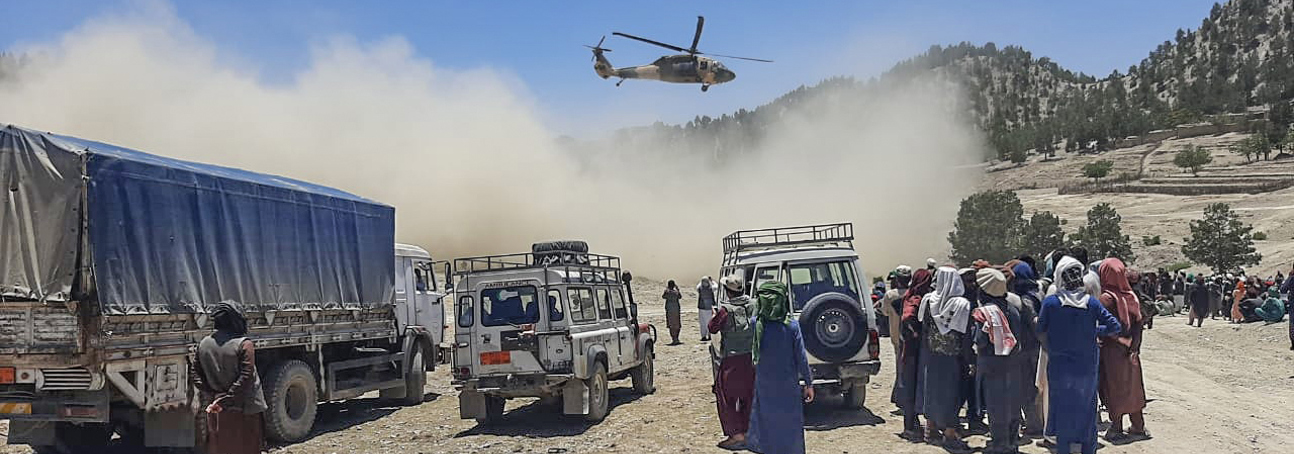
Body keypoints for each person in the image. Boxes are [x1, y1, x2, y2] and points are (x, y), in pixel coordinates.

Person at [1038, 257, 1122, 454]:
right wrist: (1092, 331)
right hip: (1087, 366)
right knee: (1086, 407)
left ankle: (1064, 449)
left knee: (1063, 407)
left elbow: (1040, 329)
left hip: (1059, 366)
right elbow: (1114, 327)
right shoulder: (1091, 303)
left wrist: (1053, 343)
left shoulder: (1051, 303)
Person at [745, 281, 814, 454]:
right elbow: (801, 358)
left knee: (766, 425)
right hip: (788, 385)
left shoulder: (755, 324)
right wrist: (808, 383)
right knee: (789, 425)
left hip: (765, 384)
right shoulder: (791, 325)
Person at [192, 303, 267, 454]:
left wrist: (214, 395)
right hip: (245, 409)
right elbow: (246, 376)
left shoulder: (204, 344)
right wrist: (227, 399)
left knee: (221, 446)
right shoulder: (244, 344)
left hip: (216, 409)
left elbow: (195, 373)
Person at [917, 266, 974, 452]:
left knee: (932, 391)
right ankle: (949, 433)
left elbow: (924, 329)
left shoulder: (928, 300)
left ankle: (931, 428)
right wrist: (969, 359)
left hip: (932, 355)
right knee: (952, 394)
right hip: (953, 357)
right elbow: (964, 334)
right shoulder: (961, 304)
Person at [1096, 259, 1149, 442]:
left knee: (1113, 386)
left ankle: (1116, 427)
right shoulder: (1131, 296)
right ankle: (1138, 426)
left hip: (1112, 351)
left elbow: (1106, 327)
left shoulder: (1106, 299)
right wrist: (1134, 346)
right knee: (1133, 386)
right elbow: (1139, 323)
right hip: (1132, 351)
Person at [972, 268, 1024, 454]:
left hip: (991, 365)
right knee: (1011, 403)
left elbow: (980, 340)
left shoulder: (984, 313)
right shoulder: (1013, 309)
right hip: (1013, 363)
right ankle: (1012, 441)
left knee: (995, 405)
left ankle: (1000, 445)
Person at [706, 275, 756, 450]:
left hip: (732, 360)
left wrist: (714, 315)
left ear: (728, 292)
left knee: (726, 397)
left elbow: (712, 327)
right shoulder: (754, 304)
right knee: (750, 396)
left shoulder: (725, 310)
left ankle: (736, 435)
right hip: (752, 359)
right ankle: (750, 431)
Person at [895, 268, 934, 441]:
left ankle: (912, 424)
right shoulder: (917, 298)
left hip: (909, 349)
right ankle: (910, 426)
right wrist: (916, 332)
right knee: (911, 386)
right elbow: (907, 317)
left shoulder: (909, 295)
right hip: (913, 351)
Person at [1010, 261, 1044, 439]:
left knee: (1027, 388)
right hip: (1037, 348)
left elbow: (1034, 322)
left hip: (1028, 349)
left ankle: (1033, 425)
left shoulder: (1025, 299)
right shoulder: (1037, 293)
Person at [882, 266, 913, 358]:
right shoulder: (913, 293)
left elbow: (885, 312)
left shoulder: (890, 295)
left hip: (896, 335)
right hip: (911, 333)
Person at [697, 276, 717, 341]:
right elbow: (716, 286)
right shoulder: (711, 288)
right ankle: (709, 335)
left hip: (701, 308)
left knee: (702, 323)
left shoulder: (700, 288)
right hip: (708, 308)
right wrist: (711, 281)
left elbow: (698, 285)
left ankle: (703, 336)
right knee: (709, 322)